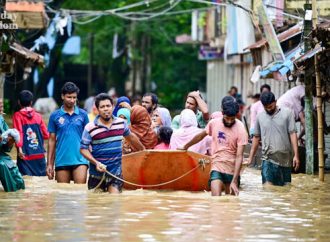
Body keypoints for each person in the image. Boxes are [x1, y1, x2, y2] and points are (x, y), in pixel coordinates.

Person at [179, 97, 248, 196]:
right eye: (227, 118)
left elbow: (239, 156)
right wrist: (186, 146)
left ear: (236, 116)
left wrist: (235, 179)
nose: (229, 121)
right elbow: (201, 136)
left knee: (232, 204)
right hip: (217, 166)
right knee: (215, 201)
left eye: (232, 119)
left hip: (232, 170)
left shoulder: (241, 128)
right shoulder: (214, 123)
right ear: (222, 113)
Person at [80, 93, 144, 193]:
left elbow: (131, 138)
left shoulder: (121, 123)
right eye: (102, 107)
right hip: (96, 174)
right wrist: (96, 163)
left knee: (114, 201)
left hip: (116, 173)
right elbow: (83, 149)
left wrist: (143, 150)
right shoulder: (90, 127)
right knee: (96, 204)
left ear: (113, 107)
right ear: (97, 109)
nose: (106, 109)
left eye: (108, 106)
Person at [247, 92, 300, 186]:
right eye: (266, 107)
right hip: (267, 159)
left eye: (271, 106)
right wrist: (251, 157)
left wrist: (296, 155)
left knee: (285, 191)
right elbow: (256, 137)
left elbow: (293, 133)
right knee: (268, 190)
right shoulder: (260, 117)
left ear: (275, 102)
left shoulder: (288, 113)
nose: (268, 109)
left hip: (286, 161)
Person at [47, 82, 89, 183]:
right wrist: (49, 164)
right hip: (62, 160)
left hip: (80, 160)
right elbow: (51, 141)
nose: (72, 100)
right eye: (69, 97)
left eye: (74, 97)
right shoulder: (54, 116)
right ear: (62, 96)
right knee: (62, 194)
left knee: (80, 192)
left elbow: (89, 137)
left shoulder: (83, 115)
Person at [12, 90, 49, 176]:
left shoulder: (17, 115)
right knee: (40, 183)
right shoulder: (38, 116)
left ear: (19, 102)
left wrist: (20, 149)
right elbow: (46, 135)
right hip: (39, 155)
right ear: (31, 102)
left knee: (26, 182)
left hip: (25, 156)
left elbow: (19, 133)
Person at [0, 98, 25, 192]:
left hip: (1, 155)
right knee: (2, 166)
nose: (1, 103)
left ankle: (16, 201)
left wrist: (11, 140)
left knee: (19, 182)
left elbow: (5, 148)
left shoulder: (1, 119)